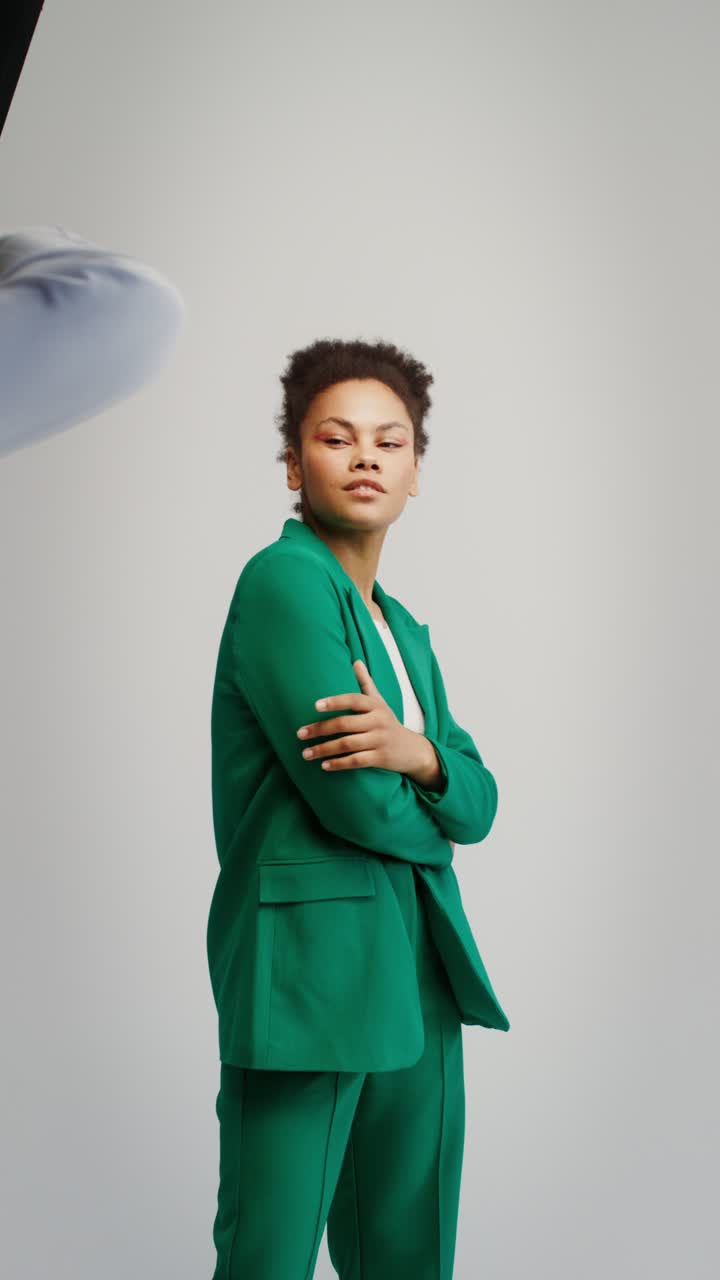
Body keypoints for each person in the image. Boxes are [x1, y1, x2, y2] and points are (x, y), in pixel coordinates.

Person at [207, 337, 510, 1279]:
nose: (368, 455)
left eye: (392, 440)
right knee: (270, 1253)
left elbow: (482, 799)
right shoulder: (283, 583)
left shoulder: (402, 628)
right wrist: (433, 797)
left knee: (408, 1251)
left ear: (417, 470)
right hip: (308, 972)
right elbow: (358, 806)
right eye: (338, 438)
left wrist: (416, 752)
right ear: (296, 466)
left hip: (419, 966)